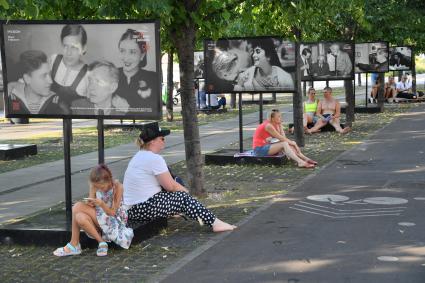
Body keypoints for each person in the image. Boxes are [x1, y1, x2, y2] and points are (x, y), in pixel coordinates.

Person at [123, 122, 237, 233]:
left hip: (133, 209)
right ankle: (215, 223)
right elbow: (170, 186)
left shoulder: (139, 156)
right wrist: (188, 195)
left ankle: (180, 211)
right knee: (182, 197)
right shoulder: (154, 159)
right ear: (153, 141)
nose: (164, 141)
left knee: (177, 190)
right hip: (141, 209)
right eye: (162, 138)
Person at [53, 164, 134, 257]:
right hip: (100, 218)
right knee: (79, 216)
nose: (99, 189)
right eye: (97, 187)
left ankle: (74, 244)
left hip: (115, 220)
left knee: (76, 206)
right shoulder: (94, 186)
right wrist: (90, 202)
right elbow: (91, 205)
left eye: (102, 187)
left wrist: (101, 204)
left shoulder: (118, 187)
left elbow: (112, 212)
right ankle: (101, 242)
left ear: (109, 181)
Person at [7, 50, 68, 115]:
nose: (50, 81)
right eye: (43, 76)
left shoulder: (57, 102)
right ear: (27, 79)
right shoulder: (11, 97)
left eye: (50, 74)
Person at [252, 109, 317, 168]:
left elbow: (283, 137)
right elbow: (281, 139)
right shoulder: (268, 126)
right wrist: (293, 143)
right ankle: (300, 162)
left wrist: (280, 125)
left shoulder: (276, 124)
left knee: (287, 143)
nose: (281, 118)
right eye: (279, 117)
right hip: (259, 150)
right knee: (284, 144)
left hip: (267, 146)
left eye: (280, 116)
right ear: (272, 118)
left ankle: (305, 159)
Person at [114, 28, 158, 114]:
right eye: (122, 51)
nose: (126, 58)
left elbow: (153, 111)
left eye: (132, 52)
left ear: (142, 55)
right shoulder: (110, 75)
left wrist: (128, 109)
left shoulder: (153, 78)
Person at [50, 24, 89, 108]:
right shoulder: (53, 60)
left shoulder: (88, 74)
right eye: (65, 46)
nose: (68, 53)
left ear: (84, 48)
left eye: (74, 47)